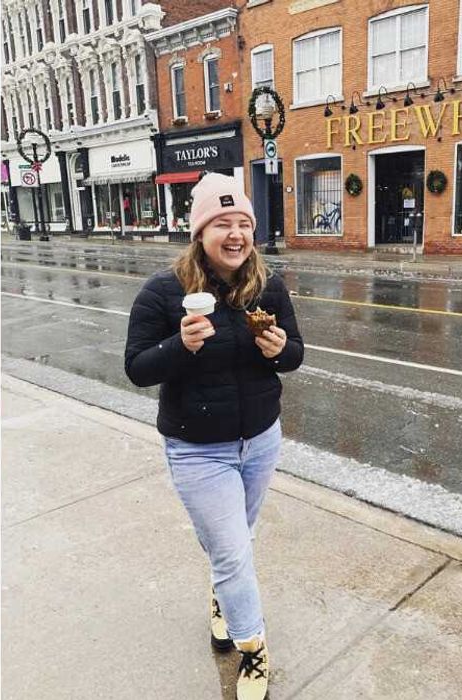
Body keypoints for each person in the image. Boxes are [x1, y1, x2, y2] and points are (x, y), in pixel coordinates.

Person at [123, 172, 303, 700]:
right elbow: (136, 368)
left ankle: (224, 599)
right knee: (231, 551)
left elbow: (295, 354)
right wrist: (181, 346)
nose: (235, 234)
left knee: (237, 545)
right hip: (198, 448)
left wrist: (279, 350)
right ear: (199, 232)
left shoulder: (268, 287)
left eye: (243, 223)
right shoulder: (164, 292)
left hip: (260, 440)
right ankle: (253, 650)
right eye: (222, 223)